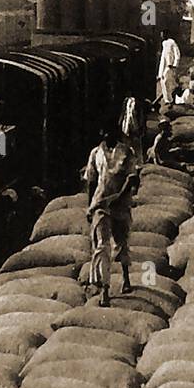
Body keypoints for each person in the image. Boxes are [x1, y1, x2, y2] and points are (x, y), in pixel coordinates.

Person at [83, 125, 139, 306]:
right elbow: (91, 181)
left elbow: (132, 179)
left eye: (112, 133)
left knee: (121, 242)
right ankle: (105, 289)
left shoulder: (126, 153)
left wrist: (120, 197)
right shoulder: (95, 154)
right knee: (102, 245)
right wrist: (90, 206)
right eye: (105, 133)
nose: (108, 136)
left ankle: (125, 278)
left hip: (120, 204)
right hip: (101, 204)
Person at [157, 31, 181, 105]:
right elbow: (163, 57)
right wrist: (160, 72)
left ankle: (170, 99)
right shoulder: (164, 43)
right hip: (164, 65)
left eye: (163, 35)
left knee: (167, 81)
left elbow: (177, 54)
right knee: (163, 81)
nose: (162, 36)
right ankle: (167, 99)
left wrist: (174, 64)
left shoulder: (172, 42)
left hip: (170, 66)